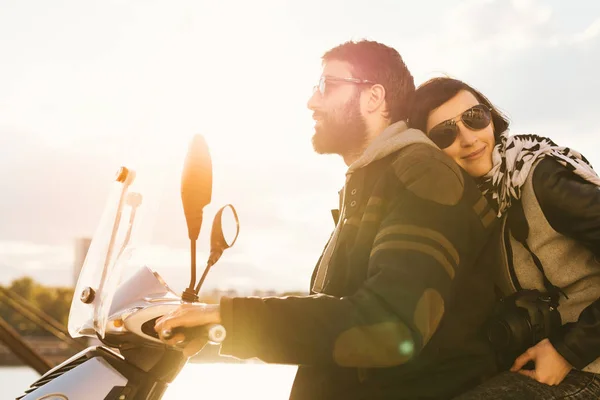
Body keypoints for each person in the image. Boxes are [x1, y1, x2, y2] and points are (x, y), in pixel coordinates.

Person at [155, 41, 501, 400]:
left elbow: (390, 325)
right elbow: (335, 317)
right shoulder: (369, 183)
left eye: (328, 86)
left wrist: (227, 316)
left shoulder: (422, 171)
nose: (312, 101)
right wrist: (218, 329)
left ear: (374, 97)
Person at [408, 76, 600, 399]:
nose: (469, 139)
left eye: (475, 118)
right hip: (530, 365)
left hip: (588, 366)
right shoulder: (469, 208)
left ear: (492, 118)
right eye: (445, 133)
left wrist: (568, 352)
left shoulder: (541, 177)